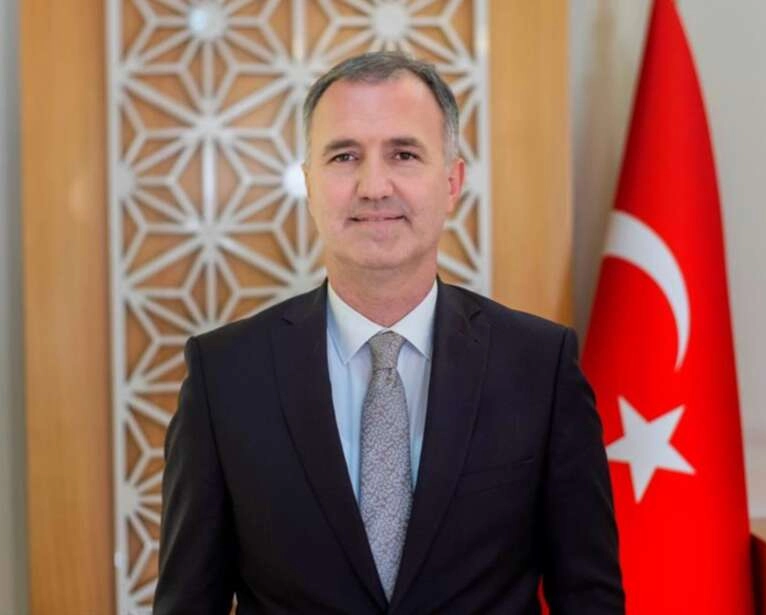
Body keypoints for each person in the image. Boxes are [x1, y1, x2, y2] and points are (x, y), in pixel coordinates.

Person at [154, 51, 624, 614]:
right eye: (344, 156)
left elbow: (589, 598)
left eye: (404, 154)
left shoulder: (540, 367)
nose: (374, 186)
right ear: (309, 184)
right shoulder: (224, 376)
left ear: (452, 182)